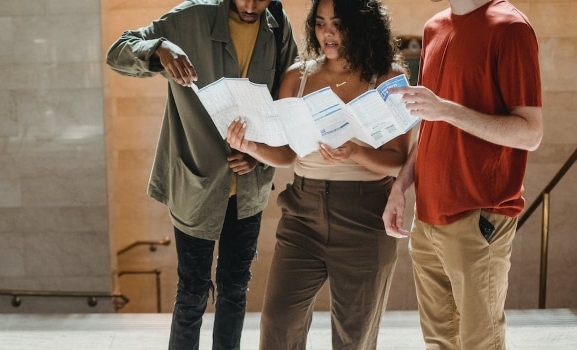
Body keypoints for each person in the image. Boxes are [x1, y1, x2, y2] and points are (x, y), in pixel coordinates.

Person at [105, 1, 298, 349]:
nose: (252, 5)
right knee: (192, 291)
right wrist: (158, 48)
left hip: (250, 189)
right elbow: (117, 51)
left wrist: (258, 153)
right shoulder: (189, 19)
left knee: (235, 288)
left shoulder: (279, 28)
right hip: (196, 182)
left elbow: (286, 103)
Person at [226, 0, 411, 348]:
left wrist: (354, 151)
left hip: (365, 217)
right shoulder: (298, 77)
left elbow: (400, 160)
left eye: (338, 23)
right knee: (278, 324)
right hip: (302, 212)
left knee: (354, 336)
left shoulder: (387, 78)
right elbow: (286, 152)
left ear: (361, 26)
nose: (328, 32)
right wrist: (250, 145)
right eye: (321, 23)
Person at [382, 0, 543, 348]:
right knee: (440, 342)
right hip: (427, 219)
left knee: (480, 342)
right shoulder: (434, 27)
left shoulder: (510, 28)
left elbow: (530, 133)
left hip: (478, 216)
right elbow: (429, 123)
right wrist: (401, 186)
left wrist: (446, 110)